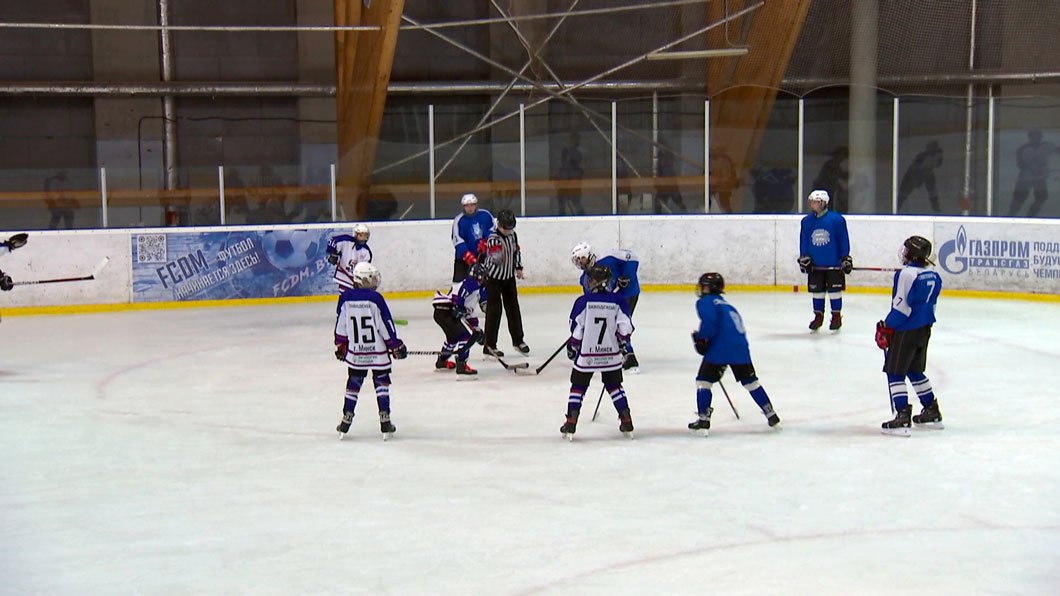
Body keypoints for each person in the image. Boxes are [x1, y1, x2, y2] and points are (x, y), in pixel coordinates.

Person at [688, 272, 780, 435]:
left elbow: (709, 321)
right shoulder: (727, 304)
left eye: (704, 286)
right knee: (751, 383)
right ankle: (770, 413)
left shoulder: (705, 301)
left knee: (704, 382)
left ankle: (703, 419)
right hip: (741, 349)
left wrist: (702, 339)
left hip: (720, 349)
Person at [875, 236, 943, 437]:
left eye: (906, 250)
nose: (903, 253)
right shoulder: (933, 274)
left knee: (895, 373)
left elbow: (901, 308)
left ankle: (902, 416)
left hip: (906, 329)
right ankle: (932, 410)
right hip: (924, 329)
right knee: (914, 370)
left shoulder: (906, 275)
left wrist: (887, 327)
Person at [333, 262, 407, 440]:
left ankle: (346, 418)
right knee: (381, 383)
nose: (375, 281)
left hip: (357, 352)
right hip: (378, 352)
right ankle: (385, 419)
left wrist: (341, 346)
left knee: (353, 383)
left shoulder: (345, 298)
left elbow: (340, 325)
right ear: (364, 279)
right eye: (372, 278)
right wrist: (395, 345)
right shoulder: (375, 299)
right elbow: (385, 325)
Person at [560, 265, 636, 440]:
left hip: (587, 355)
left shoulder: (583, 302)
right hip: (611, 354)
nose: (589, 282)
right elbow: (626, 329)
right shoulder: (618, 300)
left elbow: (576, 330)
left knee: (578, 387)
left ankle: (571, 422)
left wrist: (573, 346)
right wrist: (619, 340)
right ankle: (626, 419)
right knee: (615, 386)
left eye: (592, 279)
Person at [570, 242, 641, 370]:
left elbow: (632, 258)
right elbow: (592, 301)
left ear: (590, 255)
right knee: (611, 327)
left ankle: (629, 356)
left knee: (621, 324)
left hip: (628, 294)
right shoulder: (585, 279)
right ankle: (613, 354)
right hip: (612, 302)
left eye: (582, 258)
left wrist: (626, 275)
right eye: (578, 261)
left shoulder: (608, 257)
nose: (581, 263)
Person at [798, 189, 852, 331]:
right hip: (815, 265)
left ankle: (836, 316)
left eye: (815, 202)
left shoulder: (837, 220)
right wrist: (804, 256)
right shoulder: (806, 221)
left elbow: (843, 240)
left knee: (835, 291)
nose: (812, 205)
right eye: (811, 202)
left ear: (823, 203)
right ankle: (818, 316)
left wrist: (845, 257)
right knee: (818, 292)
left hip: (833, 263)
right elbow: (804, 240)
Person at [482, 209, 527, 358]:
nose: (508, 231)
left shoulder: (513, 235)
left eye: (510, 228)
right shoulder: (493, 238)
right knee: (494, 311)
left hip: (508, 278)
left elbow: (516, 251)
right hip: (493, 279)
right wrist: (495, 254)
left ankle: (518, 340)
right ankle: (489, 345)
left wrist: (518, 267)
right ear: (499, 224)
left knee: (513, 308)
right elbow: (495, 257)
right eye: (505, 228)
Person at [432, 263, 487, 377]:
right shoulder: (472, 283)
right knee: (465, 338)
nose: (485, 278)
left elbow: (468, 313)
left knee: (452, 339)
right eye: (483, 276)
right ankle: (461, 366)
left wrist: (477, 330)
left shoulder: (474, 291)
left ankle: (442, 361)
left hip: (442, 313)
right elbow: (460, 295)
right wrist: (458, 306)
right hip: (446, 310)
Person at [1009, 129, 1060, 217]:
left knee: (1041, 197)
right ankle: (1011, 215)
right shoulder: (1023, 149)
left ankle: (1030, 216)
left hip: (1040, 178)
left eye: (1038, 136)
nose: (1036, 139)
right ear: (1030, 137)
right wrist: (1033, 169)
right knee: (1020, 197)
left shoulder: (1047, 146)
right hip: (1026, 178)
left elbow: (1057, 150)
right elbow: (1021, 164)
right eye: (1034, 136)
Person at [450, 193, 494, 283]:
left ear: (476, 205)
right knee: (459, 284)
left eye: (472, 205)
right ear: (463, 207)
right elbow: (457, 239)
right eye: (467, 206)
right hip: (463, 259)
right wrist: (466, 254)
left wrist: (486, 241)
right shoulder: (459, 220)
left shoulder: (485, 215)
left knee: (484, 283)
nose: (470, 208)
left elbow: (492, 229)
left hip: (482, 256)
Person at [897, 141, 944, 213]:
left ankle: (936, 208)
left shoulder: (938, 155)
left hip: (927, 174)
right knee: (904, 192)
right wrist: (917, 177)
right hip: (916, 174)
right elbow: (914, 166)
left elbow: (938, 164)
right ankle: (897, 206)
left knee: (932, 192)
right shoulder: (922, 155)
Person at [326, 223, 373, 292]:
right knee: (344, 299)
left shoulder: (366, 252)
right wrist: (333, 255)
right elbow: (332, 242)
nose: (363, 238)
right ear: (356, 235)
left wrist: (361, 280)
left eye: (365, 236)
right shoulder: (346, 241)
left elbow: (365, 269)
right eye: (361, 235)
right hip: (343, 279)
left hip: (357, 283)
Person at [812, 146, 849, 214]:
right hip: (822, 189)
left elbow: (842, 175)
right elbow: (832, 178)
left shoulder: (835, 165)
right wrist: (841, 187)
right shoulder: (831, 165)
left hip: (828, 189)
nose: (843, 159)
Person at [556, 132, 586, 215]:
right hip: (564, 179)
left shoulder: (579, 151)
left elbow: (579, 166)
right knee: (562, 201)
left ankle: (581, 216)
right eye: (572, 139)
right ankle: (562, 216)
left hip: (573, 179)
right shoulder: (566, 151)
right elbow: (563, 164)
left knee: (575, 200)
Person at [654, 147, 687, 213]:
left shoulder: (666, 166)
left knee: (677, 200)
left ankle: (684, 212)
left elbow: (667, 176)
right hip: (665, 186)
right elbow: (658, 176)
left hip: (668, 186)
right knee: (658, 203)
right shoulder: (661, 165)